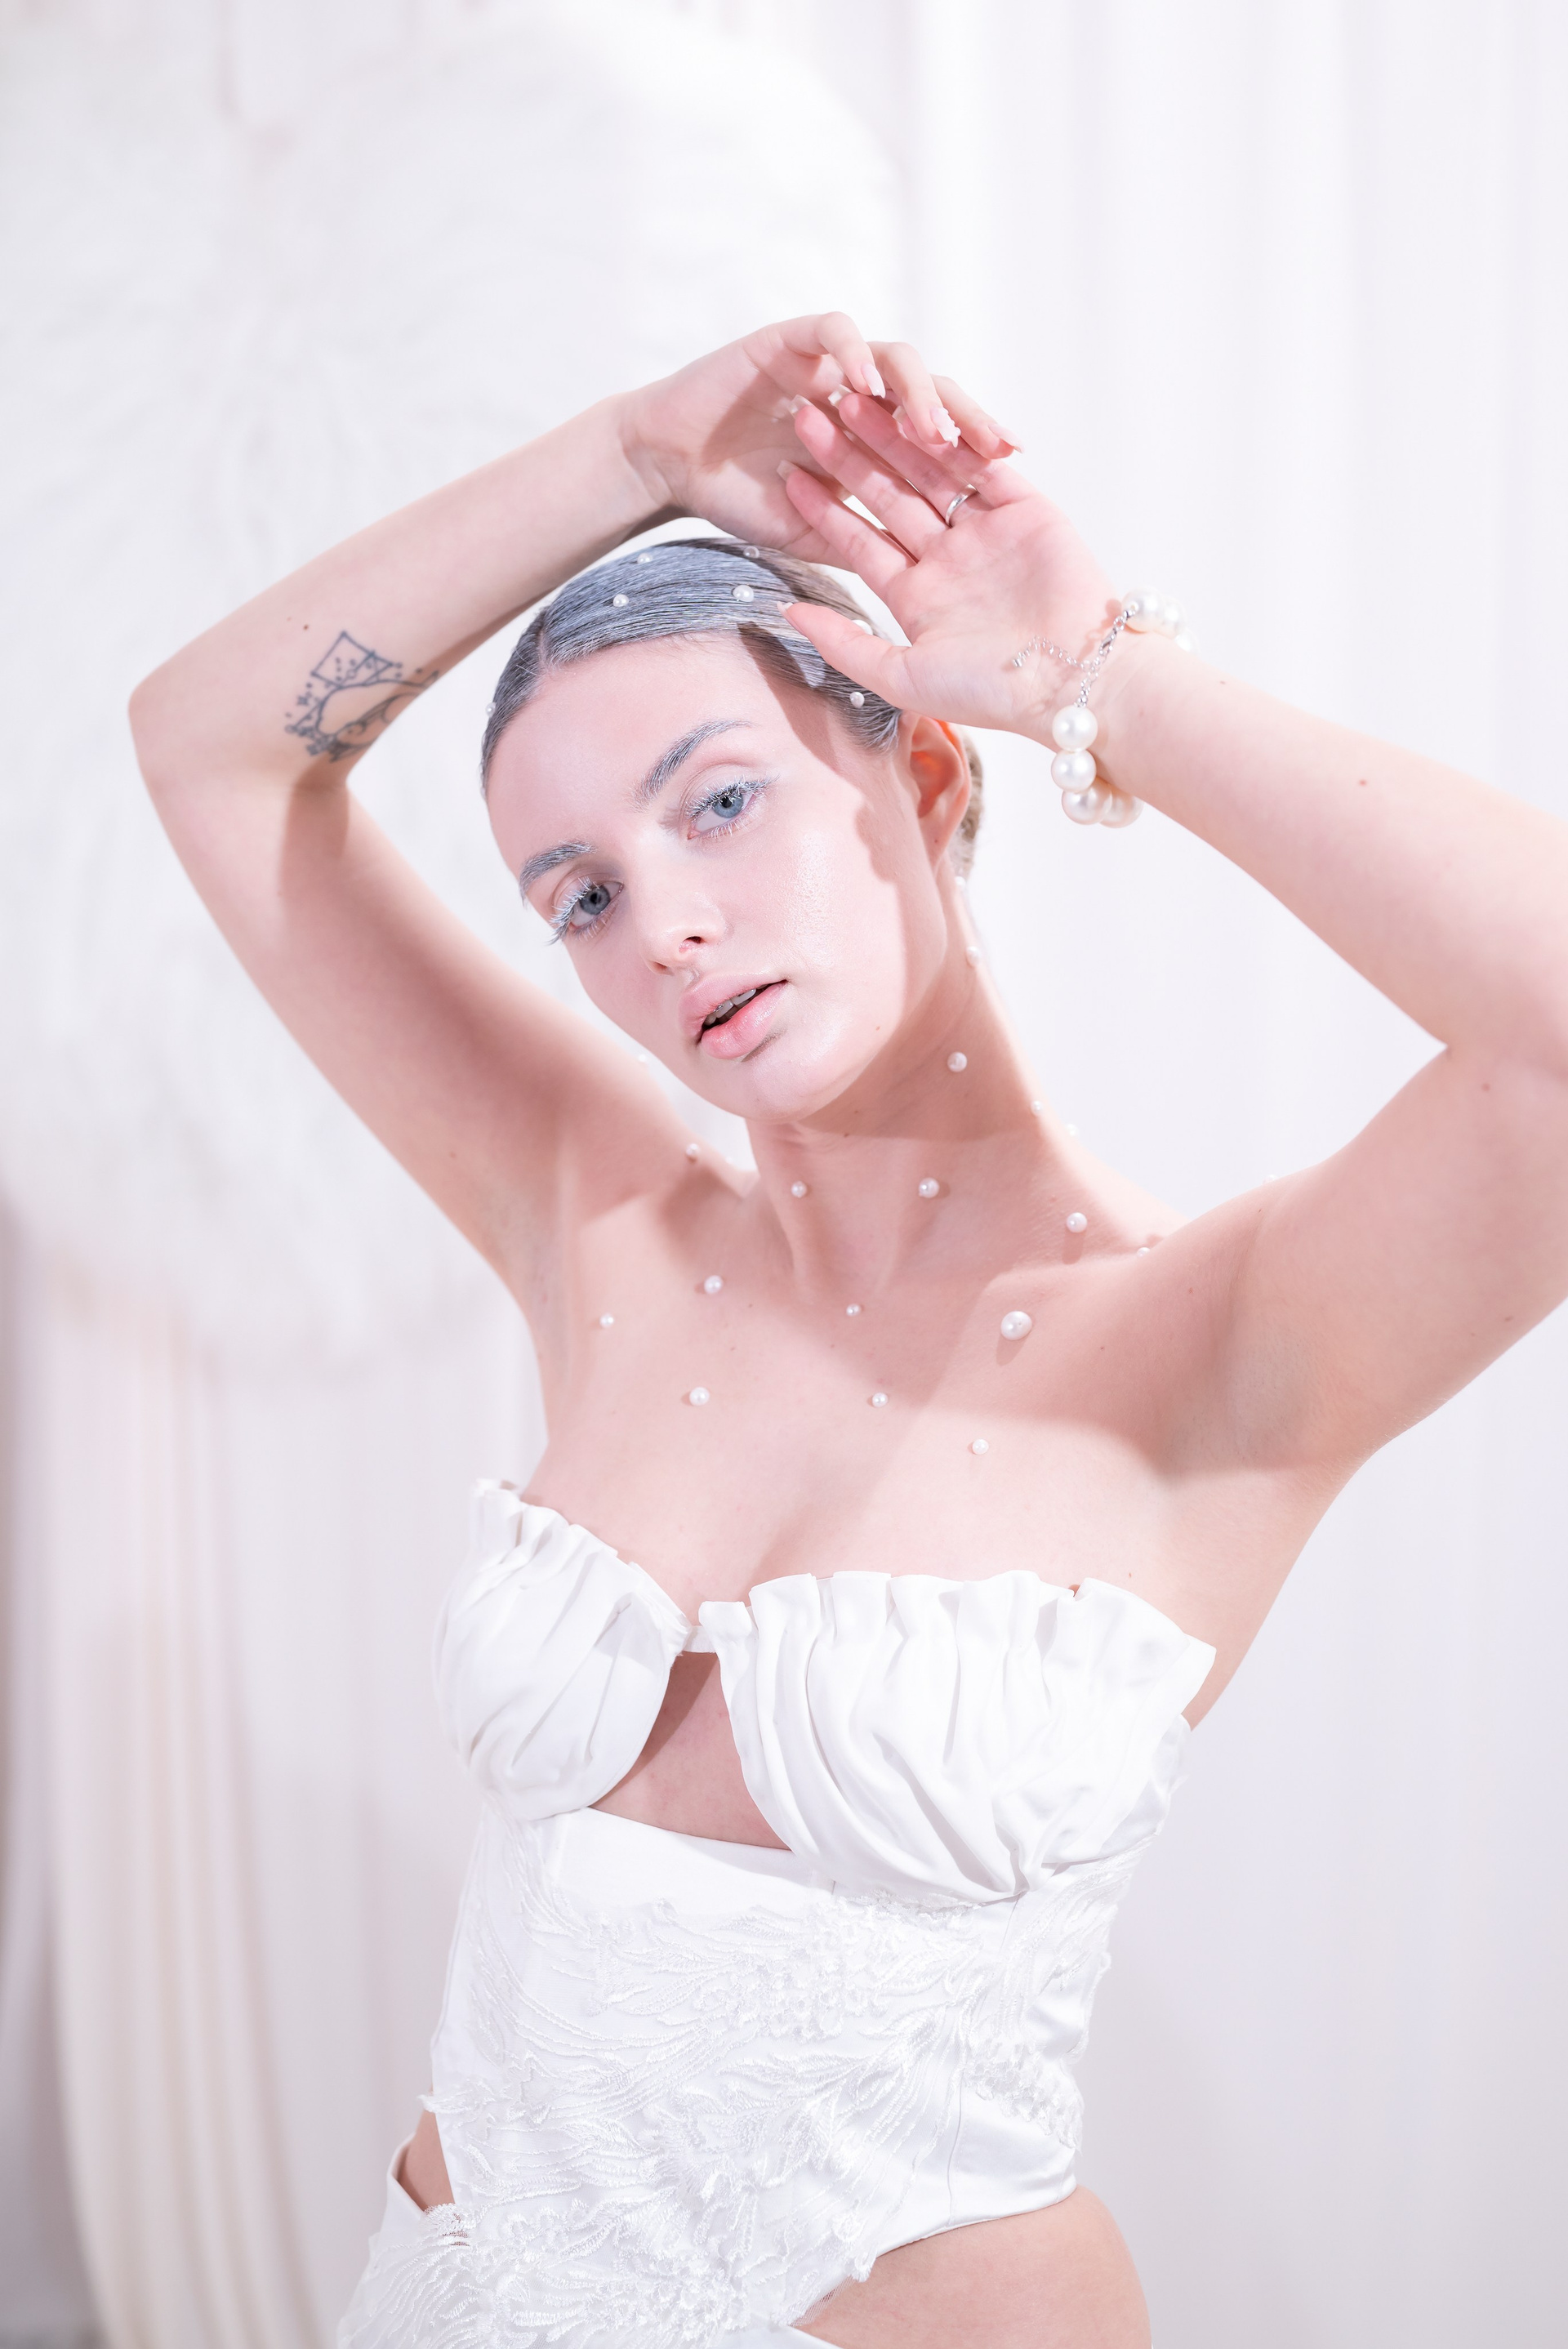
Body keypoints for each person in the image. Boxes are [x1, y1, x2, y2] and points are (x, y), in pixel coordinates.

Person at [129, 314, 1568, 2349]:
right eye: (580, 895)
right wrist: (636, 452)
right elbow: (210, 747)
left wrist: (1098, 680)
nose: (664, 926)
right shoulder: (603, 1227)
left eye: (719, 803)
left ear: (928, 765)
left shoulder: (1222, 1337)